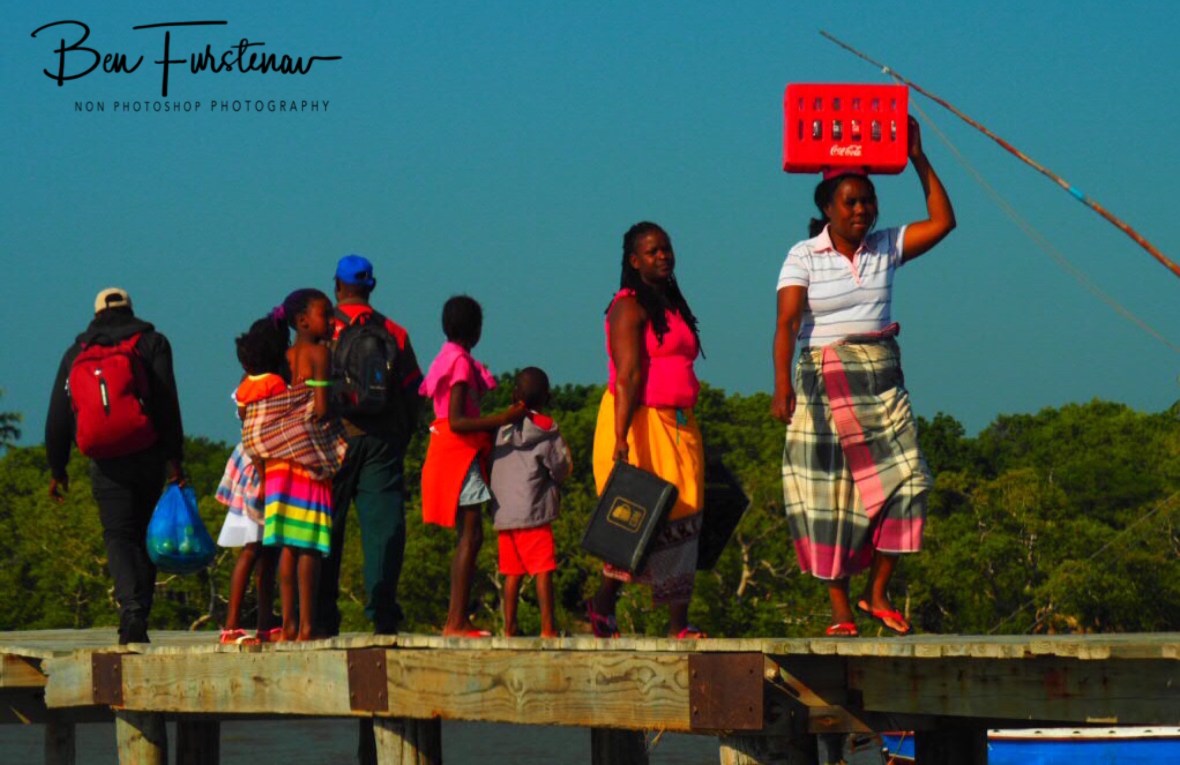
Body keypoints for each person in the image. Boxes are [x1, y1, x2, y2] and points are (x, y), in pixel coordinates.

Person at [771, 117, 956, 637]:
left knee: (911, 481)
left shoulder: (886, 246)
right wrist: (781, 384)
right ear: (827, 207)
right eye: (850, 202)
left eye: (867, 201)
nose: (861, 210)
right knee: (830, 497)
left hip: (881, 379)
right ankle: (841, 613)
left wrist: (918, 156)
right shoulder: (803, 255)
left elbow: (943, 222)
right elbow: (786, 323)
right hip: (823, 379)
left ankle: (877, 593)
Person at [585, 222, 707, 640]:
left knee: (685, 515)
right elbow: (628, 374)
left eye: (667, 249)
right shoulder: (627, 305)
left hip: (678, 423)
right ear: (634, 261)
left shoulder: (670, 303)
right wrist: (620, 436)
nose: (663, 256)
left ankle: (678, 624)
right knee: (639, 519)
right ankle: (603, 604)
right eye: (653, 251)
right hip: (638, 420)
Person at [45, 287, 186, 644]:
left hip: (105, 460)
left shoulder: (76, 352)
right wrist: (175, 458)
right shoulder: (152, 342)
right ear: (131, 309)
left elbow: (58, 416)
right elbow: (168, 402)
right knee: (145, 533)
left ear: (95, 316)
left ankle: (130, 609)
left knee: (118, 535)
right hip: (148, 453)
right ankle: (142, 612)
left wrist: (57, 467)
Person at [314, 254, 422, 637]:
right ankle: (383, 613)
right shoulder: (394, 331)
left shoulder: (322, 330)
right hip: (383, 439)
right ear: (371, 286)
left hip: (333, 439)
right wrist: (402, 436)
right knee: (382, 528)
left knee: (327, 527)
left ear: (337, 286)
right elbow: (414, 391)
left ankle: (321, 615)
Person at [419, 295, 526, 637]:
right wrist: (502, 419)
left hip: (452, 452)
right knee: (471, 535)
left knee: (470, 536)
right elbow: (457, 419)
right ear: (476, 330)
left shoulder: (446, 356)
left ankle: (456, 618)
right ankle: (456, 621)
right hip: (458, 453)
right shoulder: (461, 363)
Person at [254, 288, 341, 641]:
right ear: (303, 320)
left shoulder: (283, 356)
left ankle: (287, 624)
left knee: (287, 545)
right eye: (326, 313)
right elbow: (319, 408)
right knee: (309, 545)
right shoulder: (320, 354)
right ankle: (307, 626)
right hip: (307, 459)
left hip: (278, 463)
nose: (332, 320)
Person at [214, 316, 288, 644]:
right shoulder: (275, 384)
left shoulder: (246, 386)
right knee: (260, 550)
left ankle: (252, 624)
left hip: (244, 461)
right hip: (264, 467)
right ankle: (244, 624)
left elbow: (245, 418)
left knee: (255, 549)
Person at [489, 367, 572, 638]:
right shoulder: (546, 430)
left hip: (504, 514)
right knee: (543, 570)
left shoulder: (501, 429)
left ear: (515, 395)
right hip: (533, 511)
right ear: (547, 398)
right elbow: (560, 467)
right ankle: (548, 628)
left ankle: (509, 627)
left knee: (512, 573)